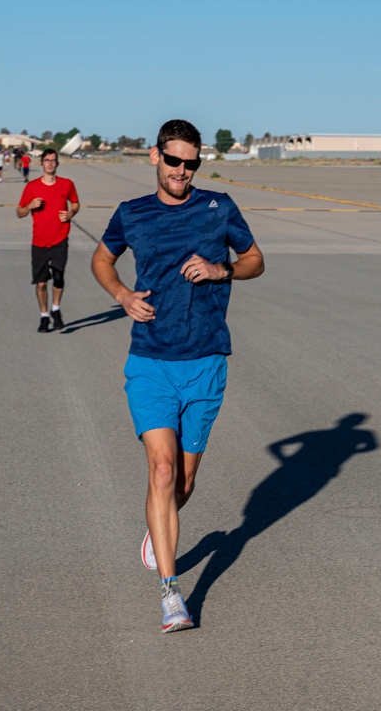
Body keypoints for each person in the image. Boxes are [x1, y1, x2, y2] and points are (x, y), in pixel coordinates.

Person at [90, 119, 264, 633]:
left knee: (182, 482)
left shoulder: (219, 209)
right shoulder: (132, 214)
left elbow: (255, 260)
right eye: (173, 161)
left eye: (191, 163)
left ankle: (158, 524)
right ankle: (172, 594)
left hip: (206, 361)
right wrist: (121, 295)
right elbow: (102, 259)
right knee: (161, 472)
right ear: (155, 158)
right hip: (150, 362)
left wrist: (221, 270)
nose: (182, 171)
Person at [17, 148, 80, 332]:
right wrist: (29, 206)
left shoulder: (66, 184)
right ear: (41, 163)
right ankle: (44, 316)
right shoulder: (32, 187)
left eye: (53, 160)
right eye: (47, 160)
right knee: (42, 283)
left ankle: (56, 309)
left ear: (57, 163)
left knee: (59, 276)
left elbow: (75, 203)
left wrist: (71, 213)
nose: (50, 163)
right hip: (39, 241)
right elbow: (19, 212)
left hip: (60, 238)